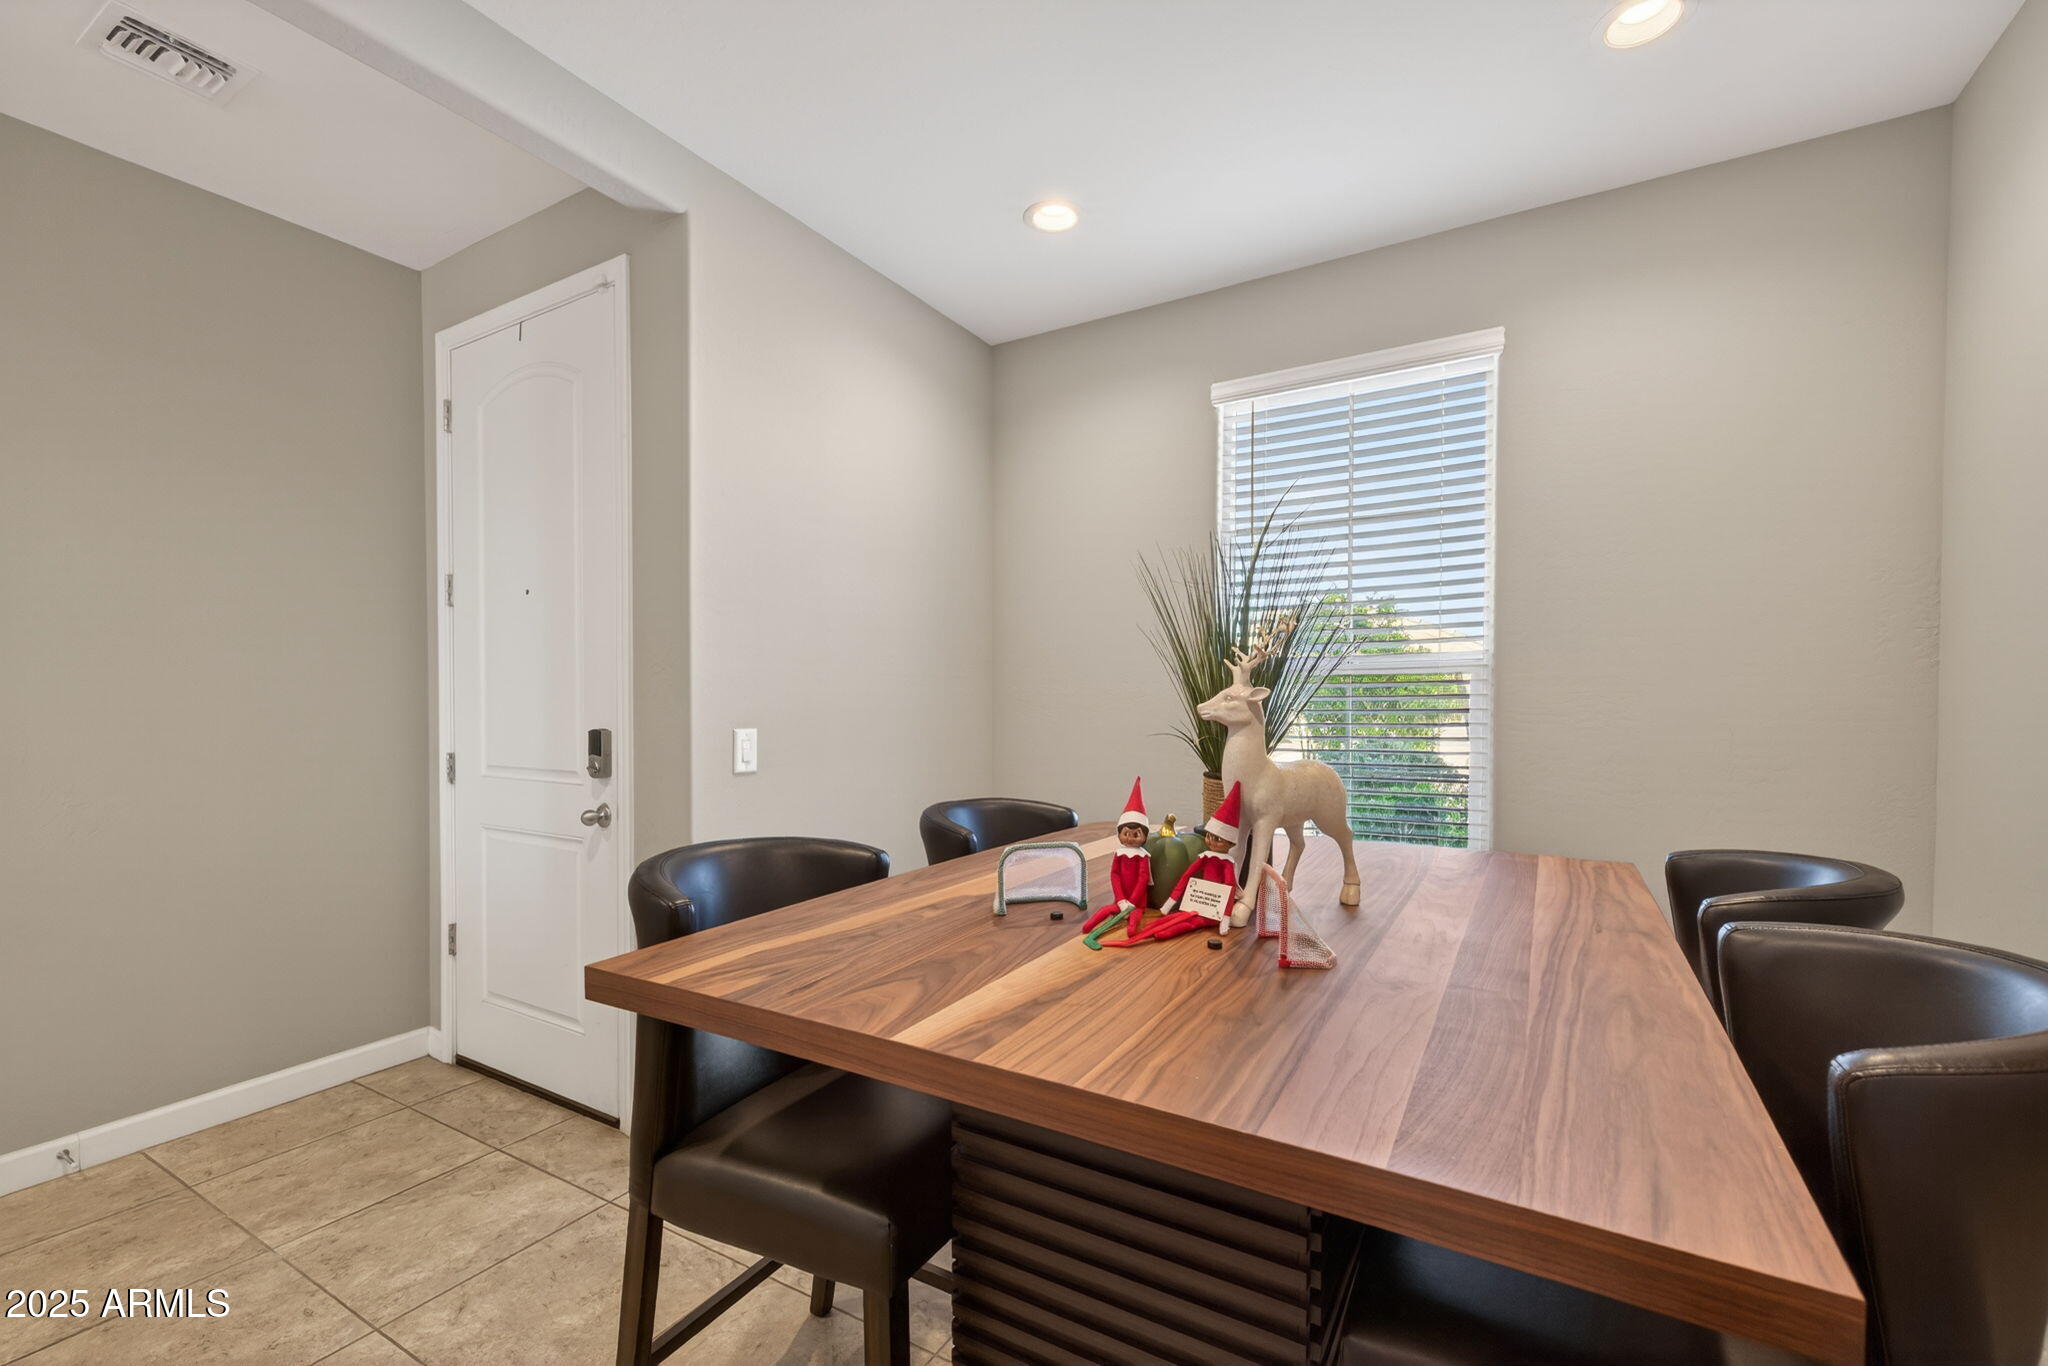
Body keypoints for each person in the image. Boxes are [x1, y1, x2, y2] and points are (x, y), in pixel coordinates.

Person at [1105, 782, 1246, 946]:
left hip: (1212, 909)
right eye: (1209, 836)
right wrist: (1169, 904)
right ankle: (1152, 930)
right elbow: (1186, 877)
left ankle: (1159, 934)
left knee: (1187, 924)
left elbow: (1229, 888)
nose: (1211, 842)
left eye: (1218, 839)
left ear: (1230, 843)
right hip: (1197, 901)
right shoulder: (1204, 857)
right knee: (1173, 918)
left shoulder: (1226, 863)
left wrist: (1225, 918)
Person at [1081, 779, 1151, 945]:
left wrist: (1132, 903)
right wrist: (1120, 900)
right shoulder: (1119, 854)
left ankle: (1131, 927)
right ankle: (1088, 927)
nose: (1131, 838)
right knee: (1104, 911)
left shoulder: (1143, 857)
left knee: (1132, 926)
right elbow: (1115, 875)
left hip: (1137, 903)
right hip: (1120, 901)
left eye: (1136, 835)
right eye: (1126, 834)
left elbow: (1143, 879)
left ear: (1145, 836)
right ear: (1119, 834)